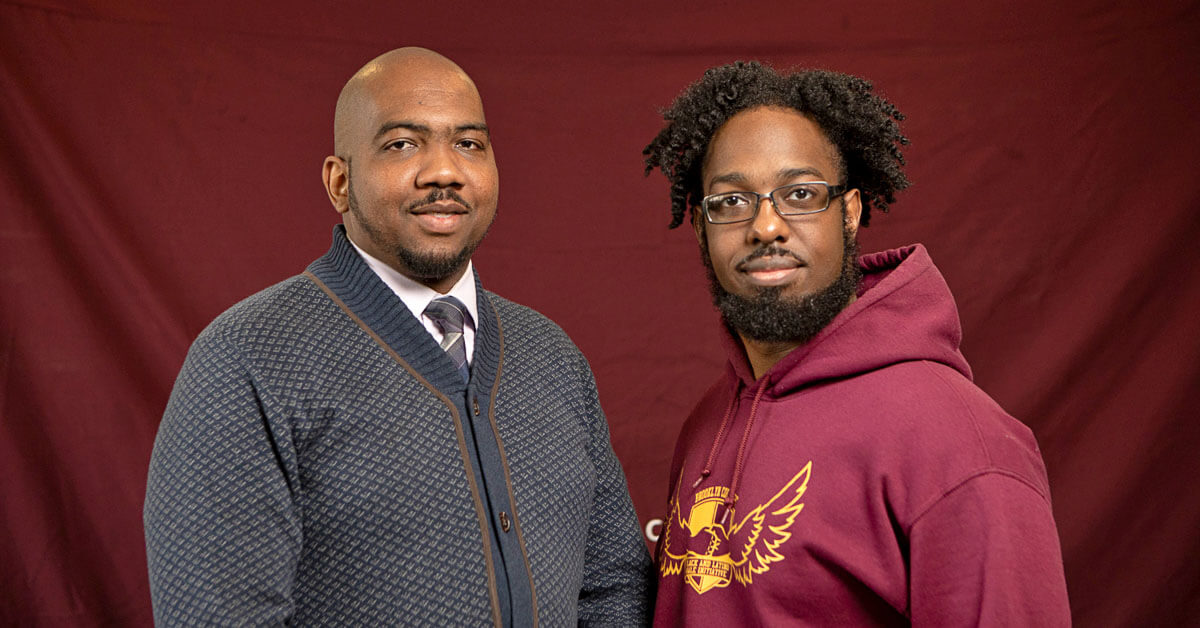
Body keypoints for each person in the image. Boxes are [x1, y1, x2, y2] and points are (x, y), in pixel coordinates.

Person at [144, 47, 653, 626]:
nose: (444, 171)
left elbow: (613, 588)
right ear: (340, 182)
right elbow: (219, 615)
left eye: (469, 144)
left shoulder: (552, 358)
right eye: (402, 144)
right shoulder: (247, 358)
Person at [642, 61, 1070, 625]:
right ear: (700, 225)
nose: (765, 226)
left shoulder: (962, 445)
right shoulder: (707, 423)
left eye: (799, 193)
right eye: (731, 201)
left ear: (850, 213)